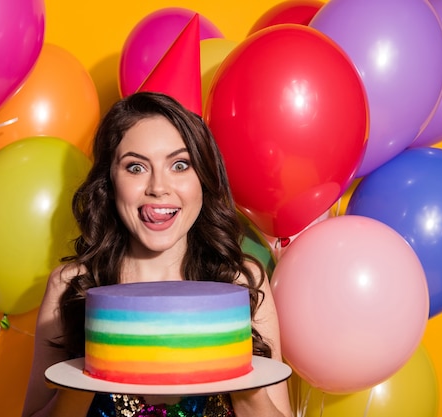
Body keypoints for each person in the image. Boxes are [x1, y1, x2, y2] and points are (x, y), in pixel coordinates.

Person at [22, 91, 292, 417]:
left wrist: (243, 381)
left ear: (203, 178)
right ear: (109, 180)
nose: (158, 187)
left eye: (179, 165)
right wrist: (89, 370)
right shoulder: (72, 287)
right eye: (136, 167)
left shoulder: (242, 283)